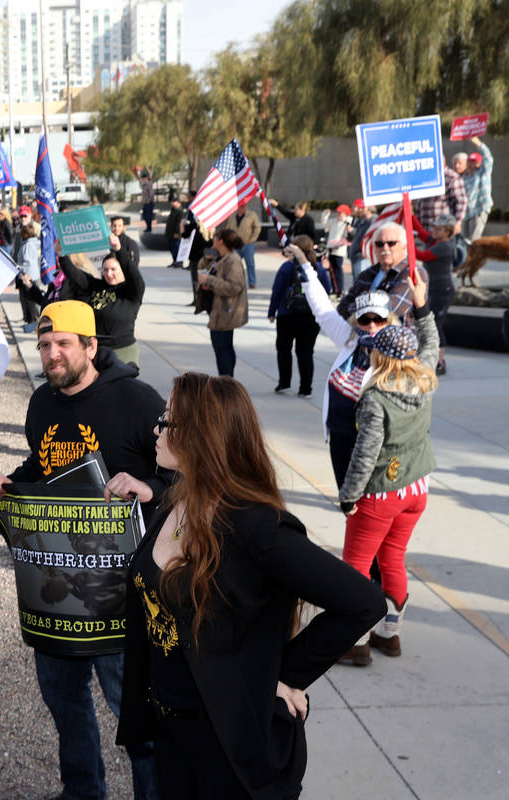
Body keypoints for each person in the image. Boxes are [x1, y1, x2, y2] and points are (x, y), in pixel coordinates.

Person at [117, 372, 385, 799]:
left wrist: (276, 678)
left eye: (166, 421)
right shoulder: (176, 499)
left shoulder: (256, 526)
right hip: (169, 735)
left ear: (199, 436)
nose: (156, 429)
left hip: (229, 747)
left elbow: (364, 602)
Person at [0, 300, 168, 800]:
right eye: (44, 345)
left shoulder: (139, 401)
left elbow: (186, 472)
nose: (51, 354)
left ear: (91, 345)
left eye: (63, 343)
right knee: (65, 701)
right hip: (56, 589)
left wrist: (152, 489)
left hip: (122, 592)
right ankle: (83, 790)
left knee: (137, 716)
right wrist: (9, 483)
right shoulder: (41, 403)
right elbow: (42, 469)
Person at [337, 272, 437, 666]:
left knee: (357, 567)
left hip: (381, 493)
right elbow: (431, 343)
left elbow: (366, 454)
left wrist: (348, 498)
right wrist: (422, 305)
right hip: (417, 490)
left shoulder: (376, 398)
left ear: (380, 355)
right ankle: (389, 635)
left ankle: (357, 641)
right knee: (393, 558)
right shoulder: (425, 378)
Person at [291, 241, 398, 490]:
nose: (372, 325)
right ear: (356, 320)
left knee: (367, 501)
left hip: (372, 445)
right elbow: (323, 311)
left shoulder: (395, 353)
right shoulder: (351, 341)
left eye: (379, 319)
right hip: (339, 434)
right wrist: (305, 264)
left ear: (389, 320)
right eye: (365, 318)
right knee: (346, 498)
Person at [268, 234, 331, 397]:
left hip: (287, 315)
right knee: (305, 352)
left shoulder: (286, 267)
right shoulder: (318, 269)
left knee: (284, 349)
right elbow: (327, 290)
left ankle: (284, 382)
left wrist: (272, 311)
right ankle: (305, 388)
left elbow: (277, 290)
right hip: (311, 317)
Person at [60, 248, 145, 369]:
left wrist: (119, 249)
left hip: (123, 351)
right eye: (105, 270)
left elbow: (135, 275)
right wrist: (62, 255)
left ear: (123, 270)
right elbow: (75, 275)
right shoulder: (97, 287)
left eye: (113, 269)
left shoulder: (132, 291)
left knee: (120, 386)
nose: (109, 274)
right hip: (97, 350)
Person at [337, 222, 429, 326]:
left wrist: (358, 309)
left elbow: (392, 309)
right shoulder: (366, 274)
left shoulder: (414, 273)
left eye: (391, 243)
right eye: (379, 244)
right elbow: (341, 309)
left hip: (397, 340)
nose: (385, 248)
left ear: (404, 246)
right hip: (361, 339)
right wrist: (365, 309)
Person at [408, 213, 456, 375]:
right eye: (434, 227)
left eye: (439, 228)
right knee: (434, 323)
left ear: (447, 232)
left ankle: (439, 362)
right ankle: (437, 360)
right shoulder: (436, 241)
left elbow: (421, 255)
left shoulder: (444, 246)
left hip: (443, 290)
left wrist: (407, 242)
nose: (434, 230)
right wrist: (410, 214)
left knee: (436, 326)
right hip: (435, 289)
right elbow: (421, 231)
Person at [199, 229, 248, 377]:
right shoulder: (221, 257)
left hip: (226, 312)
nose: (213, 240)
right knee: (223, 348)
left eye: (215, 238)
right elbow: (207, 270)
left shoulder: (233, 261)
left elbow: (234, 287)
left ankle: (226, 383)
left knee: (223, 350)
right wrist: (206, 262)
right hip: (218, 310)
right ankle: (227, 381)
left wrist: (209, 280)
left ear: (221, 241)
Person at [219, 199, 261, 289]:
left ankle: (252, 282)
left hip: (247, 244)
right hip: (235, 244)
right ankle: (236, 281)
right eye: (241, 206)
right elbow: (227, 228)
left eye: (244, 206)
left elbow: (257, 228)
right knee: (234, 264)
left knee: (250, 264)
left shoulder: (252, 215)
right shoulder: (232, 216)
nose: (243, 207)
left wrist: (252, 239)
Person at [462, 136, 493, 244]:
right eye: (470, 161)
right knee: (464, 241)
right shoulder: (464, 177)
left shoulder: (483, 172)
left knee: (474, 240)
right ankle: (466, 260)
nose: (472, 164)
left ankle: (474, 261)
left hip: (479, 209)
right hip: (466, 213)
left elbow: (488, 159)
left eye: (475, 161)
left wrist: (479, 144)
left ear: (479, 163)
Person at [17, 221, 45, 332]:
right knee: (30, 300)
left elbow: (27, 261)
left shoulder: (28, 245)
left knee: (30, 301)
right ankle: (31, 321)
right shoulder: (33, 243)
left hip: (27, 274)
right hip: (33, 273)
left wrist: (20, 270)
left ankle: (33, 322)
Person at [322, 204, 353, 296]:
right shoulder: (334, 221)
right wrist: (325, 214)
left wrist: (347, 220)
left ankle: (340, 289)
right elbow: (325, 224)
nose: (339, 214)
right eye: (338, 212)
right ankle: (334, 288)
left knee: (338, 270)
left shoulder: (347, 222)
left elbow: (348, 236)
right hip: (331, 248)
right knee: (331, 270)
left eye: (341, 213)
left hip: (339, 250)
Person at [164, 196, 185, 268]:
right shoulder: (173, 210)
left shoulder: (180, 211)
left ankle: (179, 262)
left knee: (177, 248)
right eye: (172, 202)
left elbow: (179, 223)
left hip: (176, 234)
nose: (172, 203)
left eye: (174, 202)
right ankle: (175, 261)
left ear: (178, 203)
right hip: (170, 233)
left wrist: (177, 233)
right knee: (172, 248)